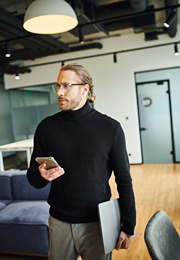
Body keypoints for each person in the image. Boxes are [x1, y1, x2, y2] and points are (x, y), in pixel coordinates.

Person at [27, 63, 136, 260]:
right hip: (58, 222)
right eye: (58, 86)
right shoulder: (46, 127)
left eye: (67, 86)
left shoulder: (110, 128)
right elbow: (33, 177)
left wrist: (128, 226)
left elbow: (124, 181)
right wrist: (42, 175)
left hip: (99, 223)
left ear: (85, 89)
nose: (59, 92)